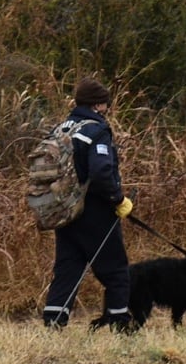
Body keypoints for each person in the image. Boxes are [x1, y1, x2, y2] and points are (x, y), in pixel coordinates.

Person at [41, 77, 135, 332]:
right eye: (106, 104)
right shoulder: (97, 130)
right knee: (116, 271)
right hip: (94, 212)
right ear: (98, 105)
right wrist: (118, 199)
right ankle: (121, 325)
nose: (106, 109)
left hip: (63, 210)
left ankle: (53, 324)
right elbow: (102, 171)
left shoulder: (60, 128)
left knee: (68, 268)